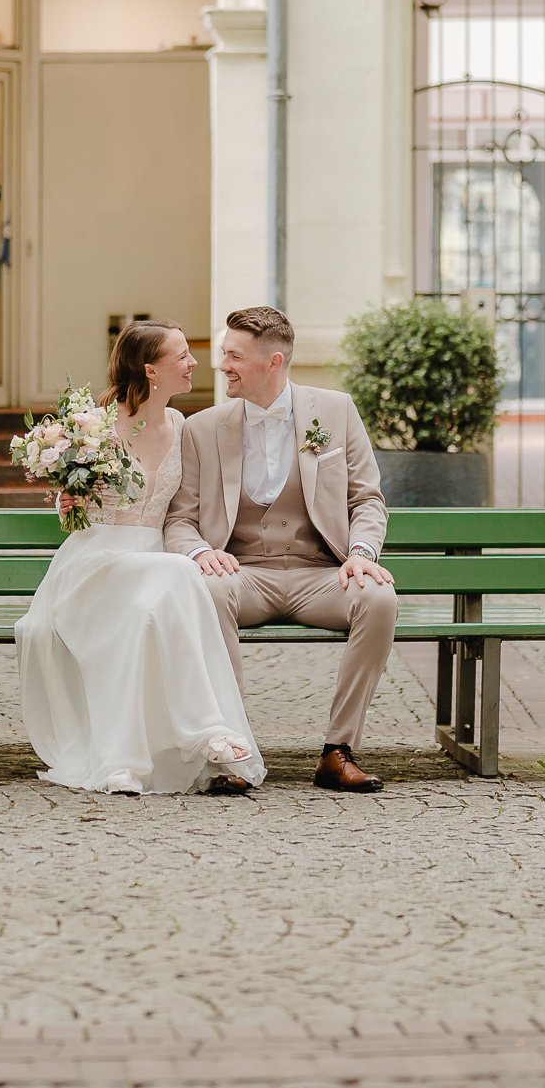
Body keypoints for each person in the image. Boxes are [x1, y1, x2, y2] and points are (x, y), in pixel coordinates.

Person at [14, 322, 266, 796]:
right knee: (180, 574)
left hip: (155, 565)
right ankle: (206, 729)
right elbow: (69, 500)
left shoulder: (183, 427)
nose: (194, 363)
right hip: (95, 564)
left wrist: (207, 546)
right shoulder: (91, 426)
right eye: (182, 355)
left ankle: (124, 761)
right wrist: (66, 500)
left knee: (154, 609)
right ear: (151, 370)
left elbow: (189, 507)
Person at [164, 306, 398, 793]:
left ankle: (338, 751)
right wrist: (200, 553)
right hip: (244, 573)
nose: (222, 365)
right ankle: (231, 750)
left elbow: (367, 500)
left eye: (234, 356)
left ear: (273, 361)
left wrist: (361, 553)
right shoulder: (201, 427)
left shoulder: (336, 410)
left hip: (321, 574)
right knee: (207, 590)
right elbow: (180, 518)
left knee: (378, 598)